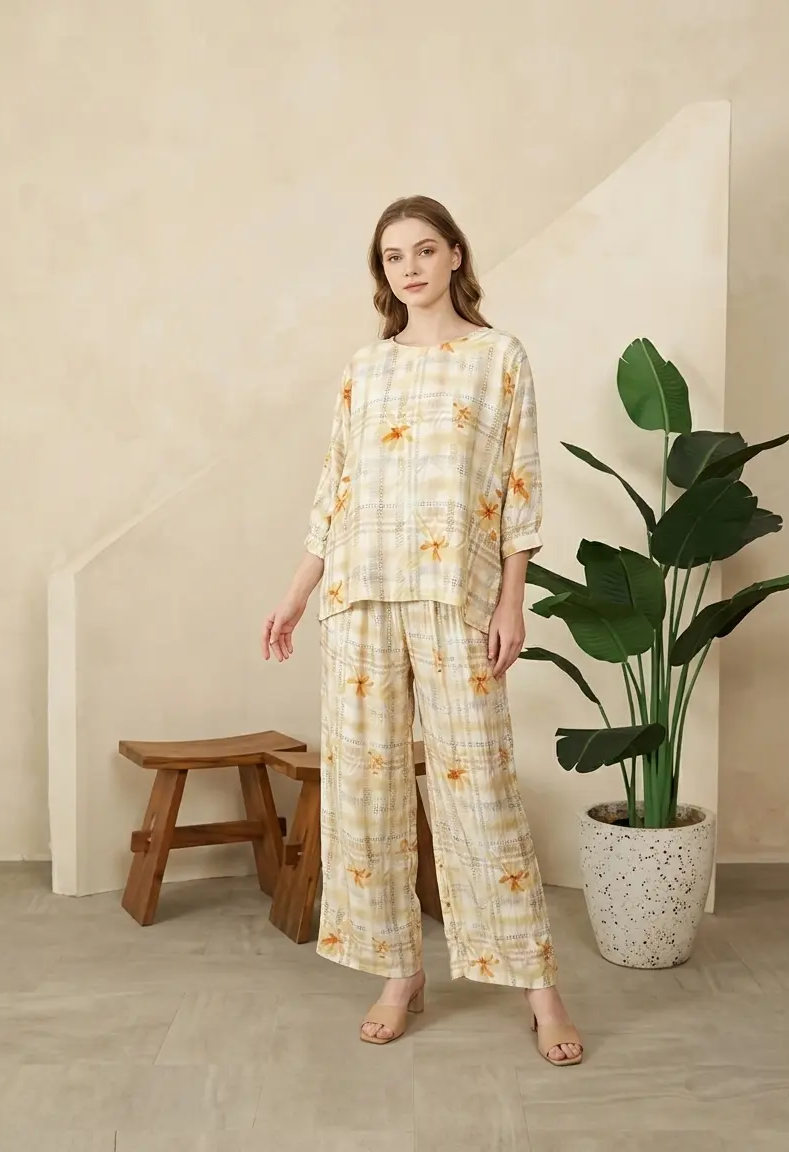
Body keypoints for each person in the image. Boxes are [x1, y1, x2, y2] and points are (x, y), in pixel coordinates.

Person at [262, 195, 583, 1066]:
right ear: (383, 271)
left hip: (454, 596)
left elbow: (519, 487)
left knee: (478, 788)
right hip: (359, 596)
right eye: (393, 256)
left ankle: (538, 987)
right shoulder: (365, 369)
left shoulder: (497, 357)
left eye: (424, 250)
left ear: (453, 256)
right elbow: (335, 487)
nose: (409, 267)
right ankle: (398, 973)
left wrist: (510, 602)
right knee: (366, 792)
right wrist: (296, 593)